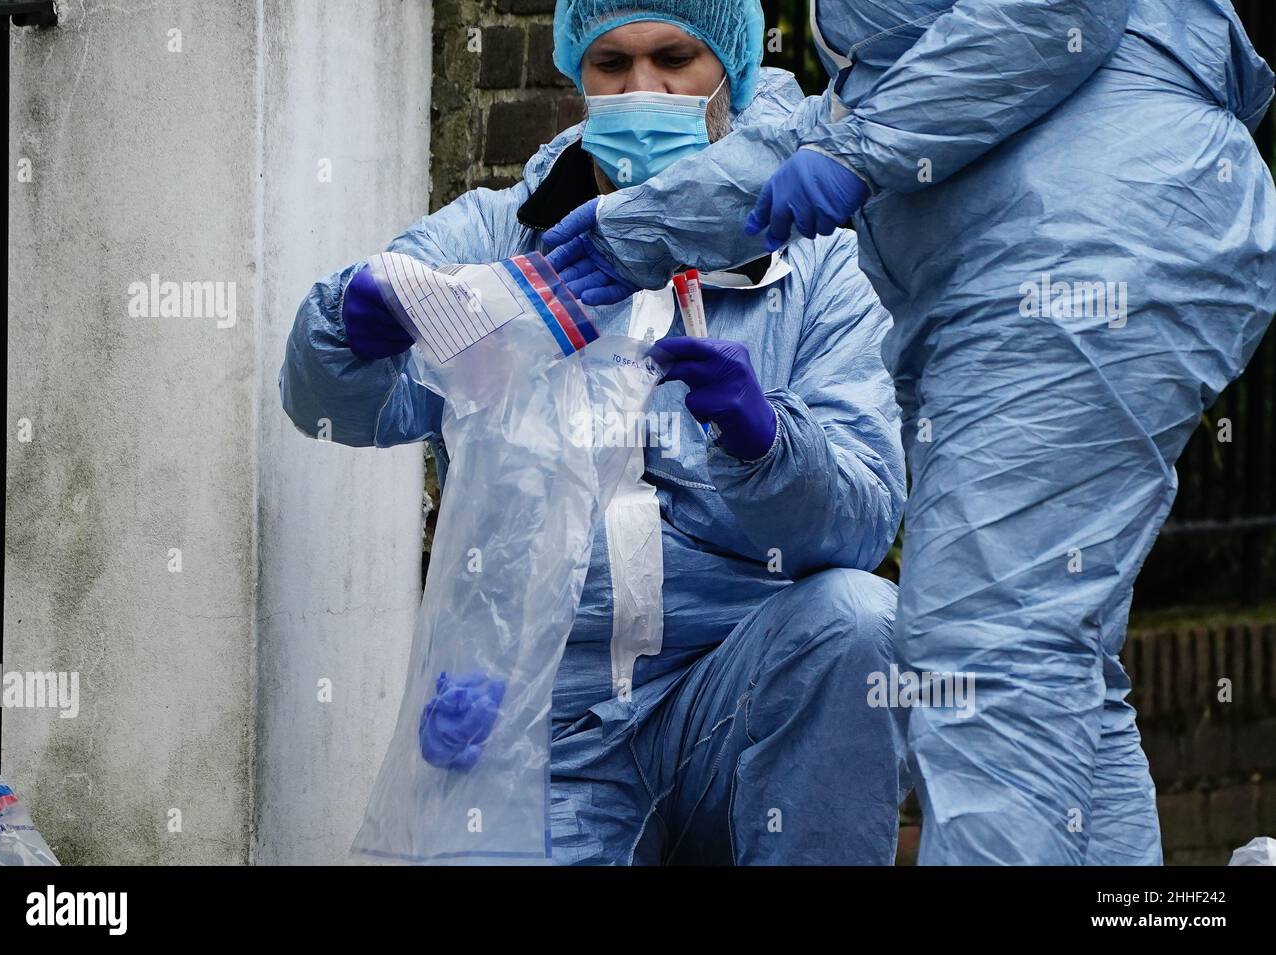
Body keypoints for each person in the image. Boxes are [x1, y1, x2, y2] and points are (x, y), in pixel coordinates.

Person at [544, 0, 1276, 865]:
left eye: (671, 55)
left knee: (989, 656)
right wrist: (634, 231)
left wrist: (861, 153)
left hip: (1075, 255)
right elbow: (859, 108)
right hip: (1034, 252)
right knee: (1050, 648)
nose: (642, 90)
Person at [280, 0, 913, 864]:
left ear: (728, 60)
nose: (641, 88)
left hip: (732, 692)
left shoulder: (816, 255)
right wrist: (344, 327)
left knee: (860, 621)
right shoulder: (507, 233)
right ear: (577, 71)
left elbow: (866, 514)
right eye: (611, 63)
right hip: (545, 721)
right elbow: (341, 404)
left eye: (673, 57)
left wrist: (768, 446)